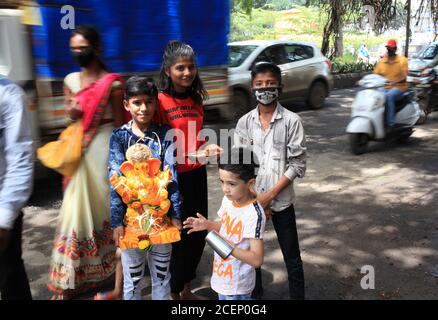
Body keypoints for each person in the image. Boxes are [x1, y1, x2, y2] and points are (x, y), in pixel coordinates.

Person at [47, 25, 130, 299]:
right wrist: (71, 113)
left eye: (83, 48)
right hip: (79, 154)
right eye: (74, 49)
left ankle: (110, 277)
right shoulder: (70, 80)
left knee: (107, 214)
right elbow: (69, 117)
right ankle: (69, 281)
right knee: (74, 215)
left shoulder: (114, 83)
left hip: (105, 153)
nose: (78, 53)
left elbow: (121, 127)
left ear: (96, 48)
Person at [234, 61, 307, 300]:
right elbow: (241, 166)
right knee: (251, 255)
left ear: (280, 87)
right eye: (259, 84)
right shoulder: (245, 122)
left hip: (282, 201)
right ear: (251, 87)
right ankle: (255, 297)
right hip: (251, 202)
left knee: (292, 257)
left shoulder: (291, 121)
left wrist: (269, 196)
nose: (264, 89)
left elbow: (297, 164)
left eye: (270, 84)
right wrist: (256, 199)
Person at [156, 40, 222, 300]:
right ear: (168, 71)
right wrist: (194, 153)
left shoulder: (196, 100)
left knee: (197, 232)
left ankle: (185, 289)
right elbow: (158, 147)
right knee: (178, 236)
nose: (187, 73)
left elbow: (195, 137)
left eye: (191, 67)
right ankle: (173, 293)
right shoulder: (160, 101)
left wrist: (207, 148)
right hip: (173, 179)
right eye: (180, 68)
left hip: (196, 174)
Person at [108, 76, 182, 300]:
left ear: (155, 103)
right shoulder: (119, 137)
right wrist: (116, 221)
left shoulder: (165, 134)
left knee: (162, 278)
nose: (143, 108)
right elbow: (115, 179)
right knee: (133, 280)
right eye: (137, 102)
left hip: (161, 221)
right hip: (132, 222)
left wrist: (176, 214)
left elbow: (172, 175)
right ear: (126, 105)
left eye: (149, 102)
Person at [183, 148, 266, 300]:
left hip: (238, 286)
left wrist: (229, 247)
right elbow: (227, 227)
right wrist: (207, 225)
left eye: (231, 184)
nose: (225, 189)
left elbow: (257, 259)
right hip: (223, 279)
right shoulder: (228, 200)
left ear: (250, 183)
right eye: (221, 182)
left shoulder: (254, 214)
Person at [0, 76, 34, 300]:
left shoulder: (8, 94)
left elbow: (20, 157)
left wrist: (4, 219)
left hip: (2, 209)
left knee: (9, 277)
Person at [373, 39, 409, 131]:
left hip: (399, 88)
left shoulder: (402, 60)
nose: (389, 50)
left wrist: (396, 82)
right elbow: (375, 75)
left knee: (389, 96)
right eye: (388, 48)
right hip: (384, 88)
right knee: (375, 96)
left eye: (391, 49)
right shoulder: (382, 61)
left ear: (395, 49)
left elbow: (404, 77)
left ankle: (390, 124)